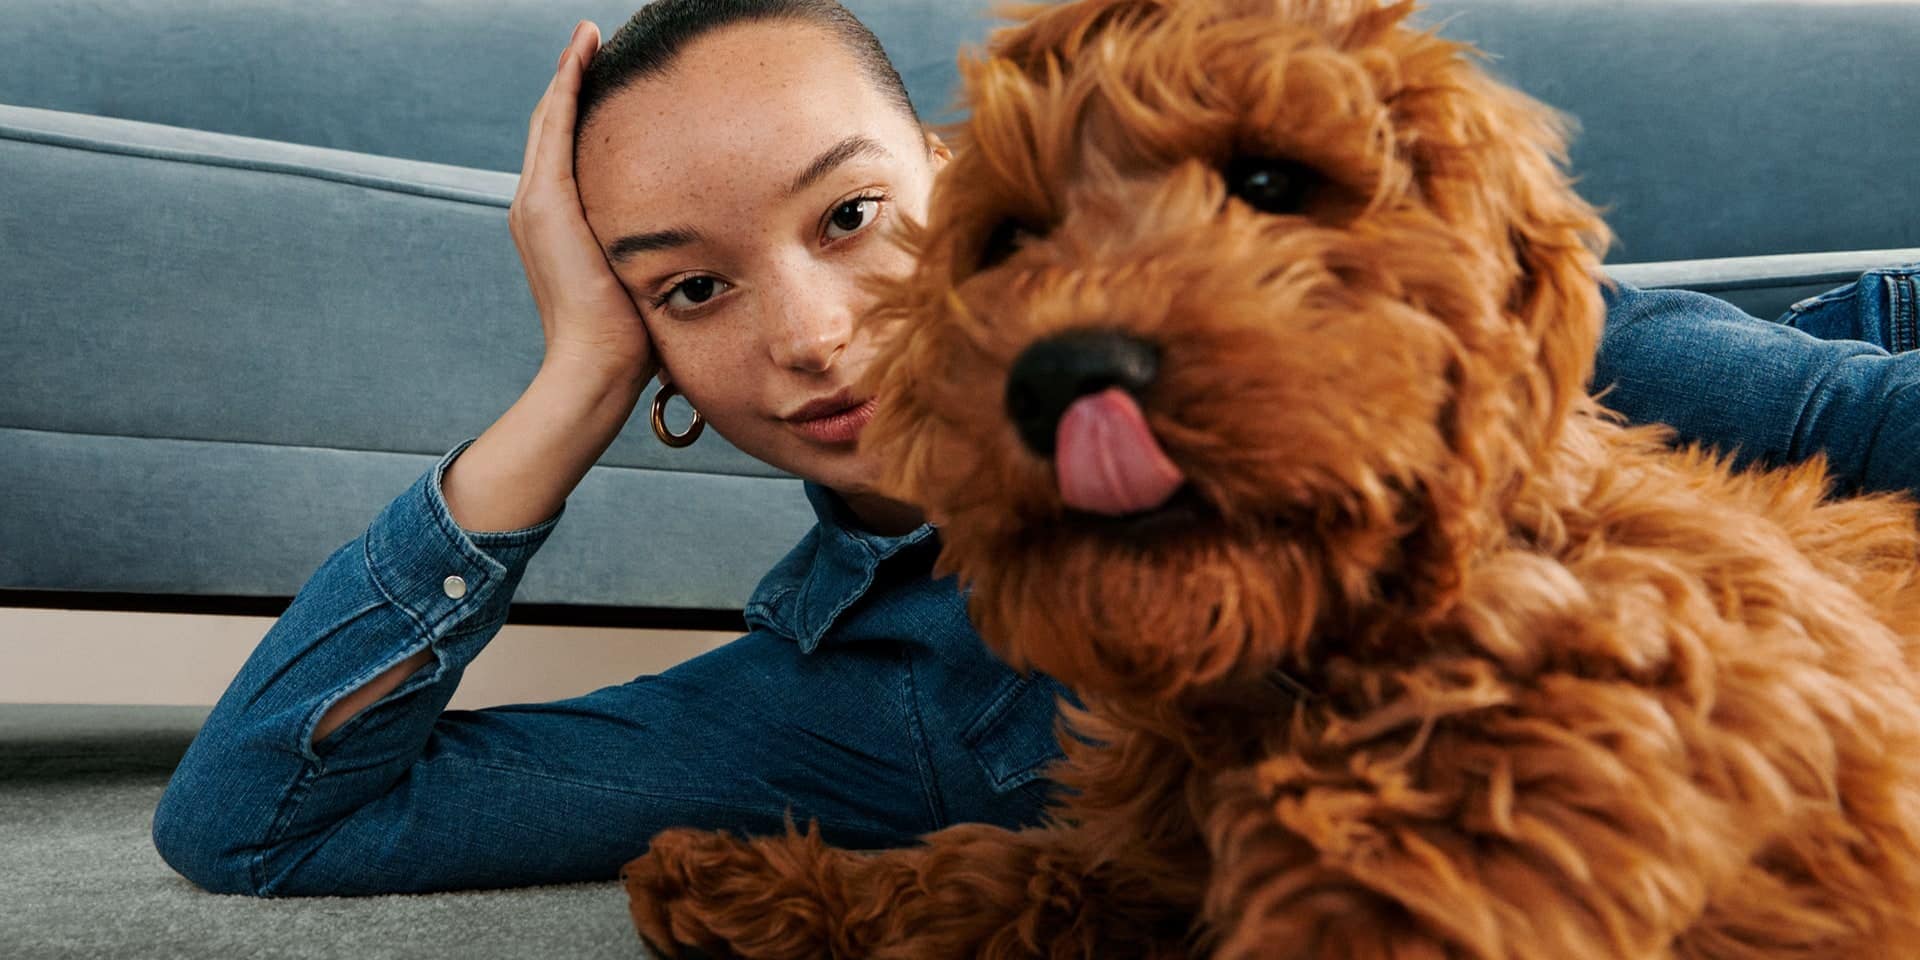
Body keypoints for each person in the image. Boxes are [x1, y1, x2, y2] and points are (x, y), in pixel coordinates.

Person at [150, 0, 1920, 897]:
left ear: (963, 181)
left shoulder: (1395, 335)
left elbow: (1862, 430)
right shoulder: (846, 693)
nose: (810, 334)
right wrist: (564, 389)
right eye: (691, 292)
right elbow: (254, 828)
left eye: (851, 218)